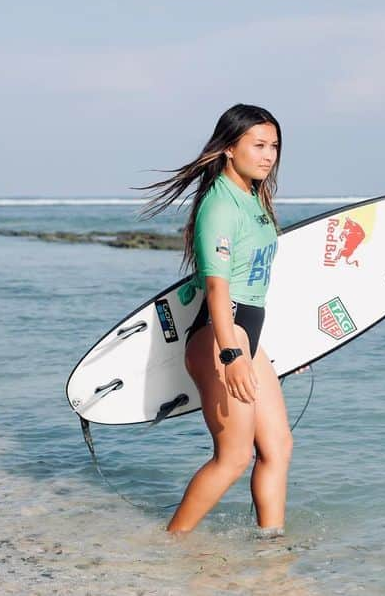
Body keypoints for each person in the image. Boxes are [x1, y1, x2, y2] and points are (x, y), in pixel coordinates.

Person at [137, 104, 291, 536]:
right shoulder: (219, 206)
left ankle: (271, 548)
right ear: (228, 148)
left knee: (277, 446)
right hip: (222, 335)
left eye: (274, 146)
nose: (268, 155)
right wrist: (231, 353)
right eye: (258, 145)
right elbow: (220, 289)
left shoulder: (253, 198)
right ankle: (172, 543)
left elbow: (255, 278)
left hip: (246, 334)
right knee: (234, 456)